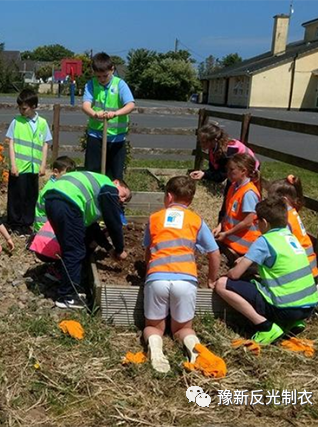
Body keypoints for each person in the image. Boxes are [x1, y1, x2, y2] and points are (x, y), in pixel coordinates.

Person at [215, 197, 318, 344]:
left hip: (286, 310)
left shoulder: (264, 241)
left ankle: (265, 326)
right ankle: (293, 323)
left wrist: (232, 270)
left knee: (222, 284)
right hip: (308, 307)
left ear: (264, 223)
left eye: (257, 220)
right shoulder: (291, 238)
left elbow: (234, 275)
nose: (255, 223)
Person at [142, 176, 220, 373]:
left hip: (157, 278)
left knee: (154, 327)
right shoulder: (196, 220)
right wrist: (212, 279)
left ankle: (155, 347)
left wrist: (148, 272)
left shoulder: (154, 218)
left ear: (169, 197)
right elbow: (214, 252)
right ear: (190, 200)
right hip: (185, 280)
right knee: (182, 329)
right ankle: (193, 348)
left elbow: (148, 251)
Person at [44, 171, 131, 309]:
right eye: (124, 195)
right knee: (75, 250)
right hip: (67, 202)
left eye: (125, 201)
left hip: (52, 200)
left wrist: (109, 249)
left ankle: (59, 272)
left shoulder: (94, 191)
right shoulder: (109, 188)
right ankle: (67, 296)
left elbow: (92, 228)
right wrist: (120, 249)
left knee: (70, 245)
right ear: (116, 182)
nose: (122, 200)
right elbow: (113, 223)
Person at [267, 175, 318, 321]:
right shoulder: (291, 212)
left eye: (271, 198)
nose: (268, 201)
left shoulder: (284, 220)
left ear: (283, 200)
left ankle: (315, 298)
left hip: (303, 273)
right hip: (309, 269)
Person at [82, 52, 135, 180]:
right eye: (98, 76)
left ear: (112, 69)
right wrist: (95, 114)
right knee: (92, 174)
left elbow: (130, 105)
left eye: (105, 75)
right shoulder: (91, 84)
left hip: (116, 137)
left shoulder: (120, 84)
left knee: (115, 176)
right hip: (96, 135)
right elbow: (86, 105)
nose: (101, 79)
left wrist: (116, 113)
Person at [6, 89, 52, 235]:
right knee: (16, 196)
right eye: (19, 108)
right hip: (19, 167)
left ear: (33, 106)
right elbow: (11, 143)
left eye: (24, 108)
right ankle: (15, 223)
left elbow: (45, 144)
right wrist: (13, 165)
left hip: (34, 167)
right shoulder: (16, 122)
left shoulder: (42, 123)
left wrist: (43, 164)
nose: (21, 111)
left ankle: (27, 222)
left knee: (31, 196)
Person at [213, 153, 261, 261]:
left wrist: (226, 233)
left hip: (243, 247)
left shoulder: (248, 194)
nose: (228, 173)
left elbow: (247, 222)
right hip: (230, 241)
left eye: (232, 170)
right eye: (228, 169)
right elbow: (229, 213)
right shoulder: (234, 187)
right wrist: (220, 226)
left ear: (243, 171)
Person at [189, 122, 259, 184]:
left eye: (203, 141)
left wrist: (204, 175)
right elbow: (214, 169)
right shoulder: (213, 148)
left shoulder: (227, 152)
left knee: (232, 186)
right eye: (200, 141)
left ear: (214, 140)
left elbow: (221, 176)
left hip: (249, 169)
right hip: (237, 168)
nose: (201, 144)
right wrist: (202, 173)